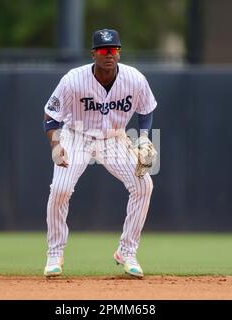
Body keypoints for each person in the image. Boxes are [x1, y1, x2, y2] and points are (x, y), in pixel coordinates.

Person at [42, 28, 157, 278]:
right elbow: (51, 118)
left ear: (119, 52)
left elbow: (146, 109)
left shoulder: (134, 78)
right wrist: (56, 145)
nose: (109, 55)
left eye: (114, 50)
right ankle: (55, 253)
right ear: (93, 53)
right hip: (76, 136)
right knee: (60, 189)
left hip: (114, 138)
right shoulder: (73, 79)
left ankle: (127, 252)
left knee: (144, 185)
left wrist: (145, 137)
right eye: (104, 50)